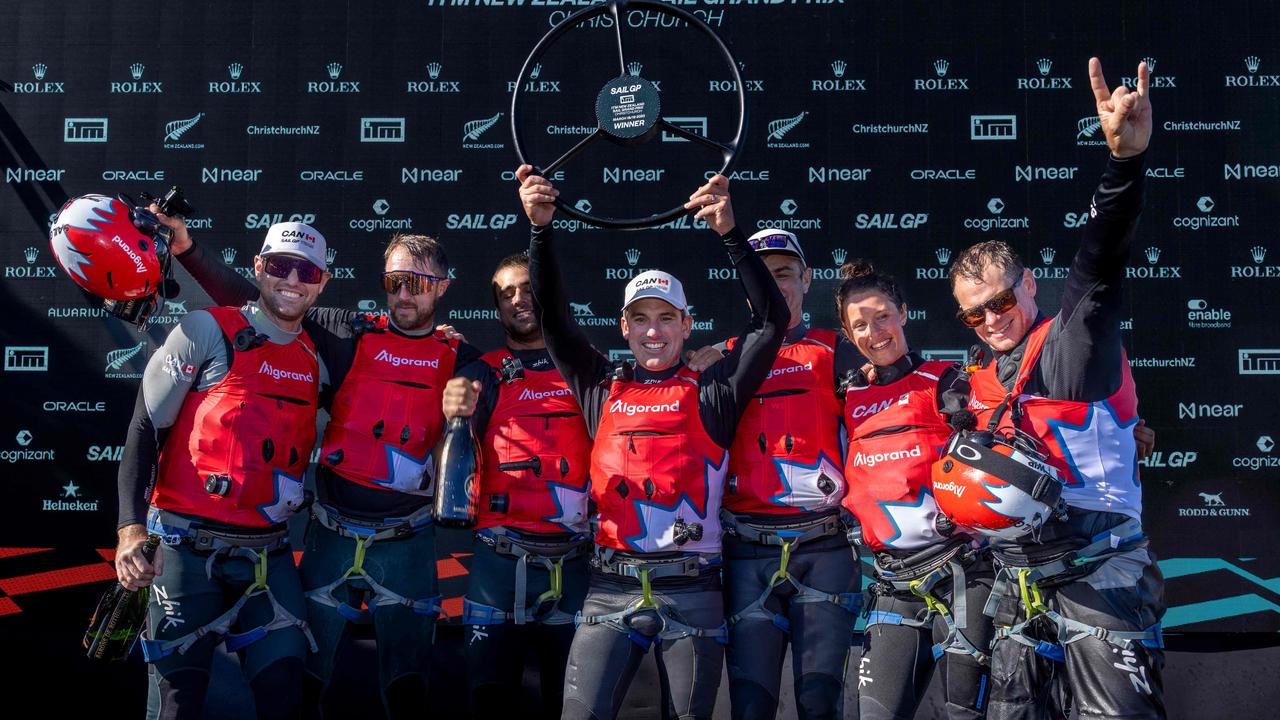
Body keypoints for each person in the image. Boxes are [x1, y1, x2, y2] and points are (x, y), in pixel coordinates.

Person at [162, 219, 481, 718]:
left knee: (407, 686)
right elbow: (266, 294)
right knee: (305, 683)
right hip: (330, 537)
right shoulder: (347, 333)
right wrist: (188, 249)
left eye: (418, 284)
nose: (403, 295)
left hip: (408, 542)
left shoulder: (464, 358)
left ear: (443, 287)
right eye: (394, 281)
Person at [518, 164, 788, 720]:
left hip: (692, 590)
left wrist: (731, 234)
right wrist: (540, 231)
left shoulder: (714, 389)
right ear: (623, 327)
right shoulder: (600, 386)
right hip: (609, 587)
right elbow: (554, 321)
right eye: (640, 319)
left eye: (667, 318)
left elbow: (770, 324)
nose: (653, 331)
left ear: (687, 325)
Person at [941, 58, 1165, 720]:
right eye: (974, 313)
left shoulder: (1072, 340)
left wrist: (1123, 164)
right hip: (1018, 589)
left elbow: (1101, 257)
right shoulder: (975, 377)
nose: (991, 319)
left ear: (1028, 285)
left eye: (1001, 301)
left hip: (1099, 581)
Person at [114, 222, 330, 719]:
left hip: (268, 558)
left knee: (287, 699)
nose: (292, 279)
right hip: (186, 554)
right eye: (279, 266)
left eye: (306, 270)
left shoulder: (318, 357)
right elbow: (143, 430)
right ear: (259, 268)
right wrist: (128, 531)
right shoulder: (205, 329)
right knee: (176, 706)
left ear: (323, 281)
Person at [712, 229, 862, 720]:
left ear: (807, 278)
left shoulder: (838, 351)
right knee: (751, 706)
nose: (775, 287)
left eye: (784, 274)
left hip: (824, 549)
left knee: (820, 703)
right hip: (747, 550)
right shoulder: (722, 357)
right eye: (764, 277)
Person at [836, 260, 995, 720]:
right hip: (892, 584)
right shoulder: (847, 397)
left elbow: (1013, 431)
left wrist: (1134, 428)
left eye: (883, 316)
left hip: (963, 575)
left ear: (903, 313)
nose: (874, 331)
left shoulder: (947, 382)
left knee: (966, 715)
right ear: (849, 335)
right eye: (860, 324)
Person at [440, 253, 594, 718]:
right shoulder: (478, 372)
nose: (517, 299)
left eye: (526, 288)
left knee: (567, 707)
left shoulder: (587, 368)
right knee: (489, 701)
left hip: (572, 563)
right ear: (497, 309)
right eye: (506, 293)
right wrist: (452, 405)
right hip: (497, 562)